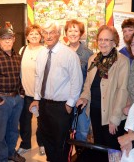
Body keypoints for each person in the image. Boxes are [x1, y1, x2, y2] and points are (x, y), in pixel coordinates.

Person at [29, 21, 83, 162]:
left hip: (61, 107)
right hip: (44, 105)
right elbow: (38, 77)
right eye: (45, 33)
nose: (48, 36)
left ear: (59, 34)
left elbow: (76, 81)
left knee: (61, 143)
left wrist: (70, 104)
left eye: (51, 32)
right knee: (46, 139)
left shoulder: (69, 55)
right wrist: (36, 99)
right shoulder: (42, 54)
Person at [76, 25, 129, 151]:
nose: (103, 43)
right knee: (99, 146)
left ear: (114, 42)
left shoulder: (122, 61)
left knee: (112, 149)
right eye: (100, 39)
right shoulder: (93, 59)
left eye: (107, 40)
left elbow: (123, 90)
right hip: (95, 110)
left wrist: (115, 118)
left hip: (111, 113)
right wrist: (84, 98)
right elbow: (88, 85)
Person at [0, 27, 26, 162]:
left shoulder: (18, 57)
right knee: (0, 132)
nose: (7, 42)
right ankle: (1, 158)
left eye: (10, 38)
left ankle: (10, 153)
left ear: (14, 39)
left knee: (13, 130)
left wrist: (21, 93)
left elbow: (19, 77)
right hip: (1, 100)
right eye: (4, 39)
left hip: (17, 98)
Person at [17, 24, 46, 156]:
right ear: (27, 36)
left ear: (41, 36)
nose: (34, 36)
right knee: (24, 121)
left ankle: (42, 144)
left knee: (42, 121)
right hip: (25, 94)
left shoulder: (45, 51)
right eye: (31, 34)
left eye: (37, 34)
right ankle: (26, 144)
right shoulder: (22, 50)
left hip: (41, 95)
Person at [65, 19, 93, 145]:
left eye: (76, 30)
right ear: (65, 33)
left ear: (81, 33)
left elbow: (90, 78)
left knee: (82, 131)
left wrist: (83, 96)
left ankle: (80, 155)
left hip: (82, 99)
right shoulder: (62, 52)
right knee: (66, 129)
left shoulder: (88, 53)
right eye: (70, 30)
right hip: (65, 98)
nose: (72, 33)